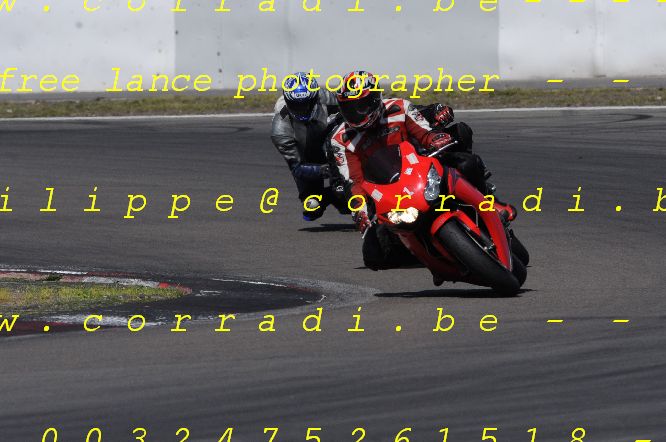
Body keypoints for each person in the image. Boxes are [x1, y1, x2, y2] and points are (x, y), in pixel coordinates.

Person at [329, 70, 516, 276]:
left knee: (468, 162)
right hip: (387, 194)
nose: (355, 113)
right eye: (348, 108)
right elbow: (353, 182)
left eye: (360, 106)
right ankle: (425, 256)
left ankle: (489, 201)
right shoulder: (341, 139)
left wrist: (437, 139)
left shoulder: (399, 107)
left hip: (421, 171)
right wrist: (360, 213)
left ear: (374, 99)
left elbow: (425, 133)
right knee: (373, 254)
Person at [271, 72, 349, 221]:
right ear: (288, 101)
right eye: (296, 105)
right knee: (312, 208)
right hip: (306, 156)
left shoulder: (325, 97)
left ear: (314, 98)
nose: (301, 109)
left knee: (345, 201)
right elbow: (297, 167)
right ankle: (328, 195)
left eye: (305, 104)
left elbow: (351, 110)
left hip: (329, 141)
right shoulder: (280, 129)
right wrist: (327, 170)